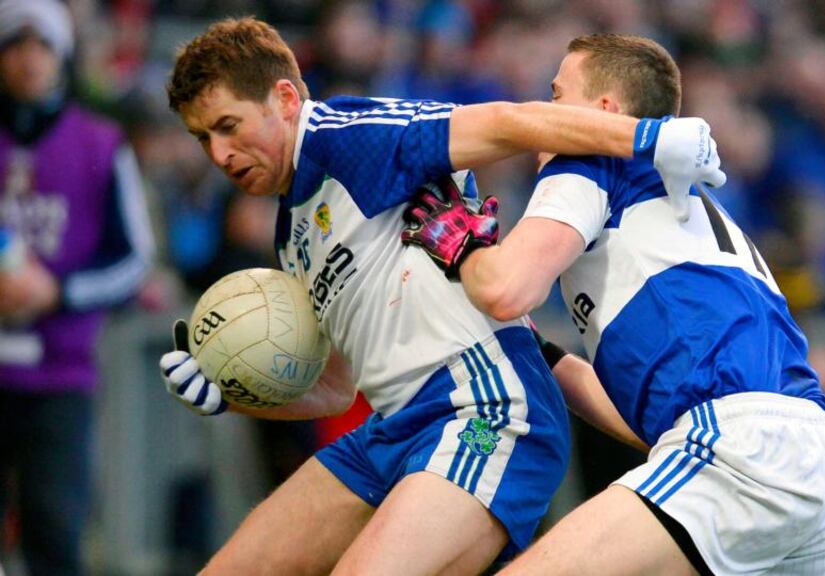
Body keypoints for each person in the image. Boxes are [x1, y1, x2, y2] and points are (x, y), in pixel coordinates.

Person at [157, 17, 725, 575]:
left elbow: (505, 122)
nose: (219, 153)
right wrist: (233, 392)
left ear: (284, 99)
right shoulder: (292, 230)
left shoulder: (350, 138)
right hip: (394, 428)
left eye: (228, 126)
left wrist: (648, 139)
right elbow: (334, 389)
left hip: (483, 409)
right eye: (203, 137)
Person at [402, 33, 825, 575]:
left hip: (738, 446)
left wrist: (463, 246)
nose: (541, 115)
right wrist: (536, 350)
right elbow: (645, 425)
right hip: (815, 452)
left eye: (556, 96)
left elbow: (505, 290)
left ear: (605, 112)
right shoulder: (688, 206)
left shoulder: (591, 162)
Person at [0, 0, 154, 574]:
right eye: (15, 44)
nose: (29, 59)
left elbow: (134, 260)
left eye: (43, 45)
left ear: (63, 55)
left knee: (55, 535)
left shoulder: (100, 144)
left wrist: (58, 292)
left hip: (60, 378)